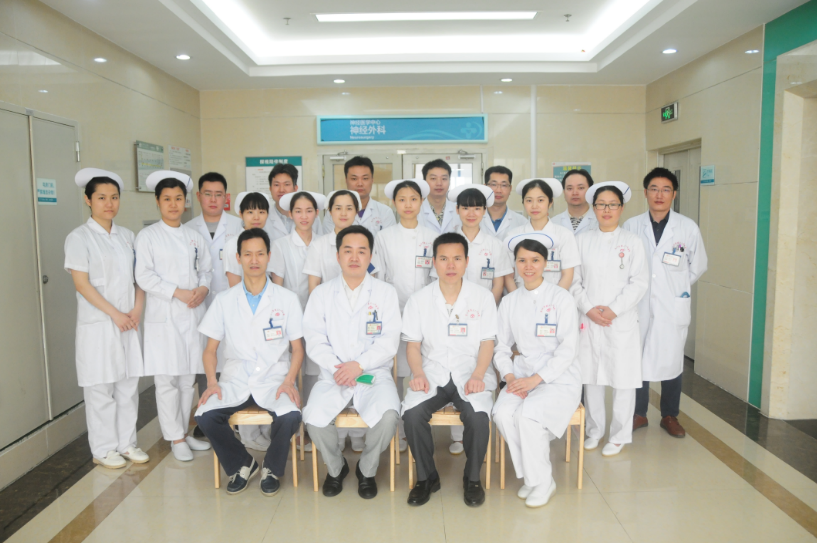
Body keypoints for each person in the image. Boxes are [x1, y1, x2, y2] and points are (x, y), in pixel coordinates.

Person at [195, 229, 303, 496]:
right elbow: (210, 351)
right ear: (238, 258)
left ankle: (271, 468)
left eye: (260, 254)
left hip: (274, 378)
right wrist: (212, 383)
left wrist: (289, 381)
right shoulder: (224, 300)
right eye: (247, 254)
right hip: (236, 378)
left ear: (269, 256)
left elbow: (298, 349)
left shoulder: (287, 299)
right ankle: (242, 464)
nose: (254, 260)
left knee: (290, 416)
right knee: (206, 416)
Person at [302, 226, 401, 499]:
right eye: (348, 251)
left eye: (361, 251)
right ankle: (336, 468)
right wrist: (339, 367)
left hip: (373, 374)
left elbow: (389, 341)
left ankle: (366, 470)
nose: (354, 257)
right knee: (313, 418)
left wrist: (359, 365)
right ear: (337, 256)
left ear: (371, 256)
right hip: (333, 375)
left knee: (389, 416)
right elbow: (314, 338)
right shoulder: (321, 294)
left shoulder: (385, 293)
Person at [402, 233, 497, 507]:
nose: (451, 265)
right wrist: (418, 373)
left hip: (470, 372)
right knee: (412, 415)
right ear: (434, 262)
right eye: (444, 258)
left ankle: (472, 478)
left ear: (467, 261)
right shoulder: (418, 300)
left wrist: (478, 374)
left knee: (478, 417)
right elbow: (412, 345)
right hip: (432, 372)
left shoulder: (482, 297)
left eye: (457, 258)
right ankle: (426, 477)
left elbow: (487, 342)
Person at [64, 168, 149, 469]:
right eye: (101, 197)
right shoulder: (79, 237)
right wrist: (115, 314)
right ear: (88, 200)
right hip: (99, 324)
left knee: (127, 385)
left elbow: (140, 279)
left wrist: (136, 310)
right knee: (100, 388)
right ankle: (103, 449)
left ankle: (127, 443)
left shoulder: (127, 236)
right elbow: (82, 284)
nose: (109, 203)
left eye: (114, 197)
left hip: (128, 322)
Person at [493, 233, 582, 508]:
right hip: (521, 374)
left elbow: (568, 349)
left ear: (546, 263)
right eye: (522, 260)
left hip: (559, 378)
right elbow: (501, 347)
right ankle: (534, 478)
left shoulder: (561, 298)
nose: (528, 266)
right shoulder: (509, 302)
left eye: (535, 260)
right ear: (515, 263)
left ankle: (543, 482)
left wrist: (537, 379)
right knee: (502, 414)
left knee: (528, 416)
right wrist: (509, 377)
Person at [135, 170, 213, 462]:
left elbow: (206, 270)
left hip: (192, 314)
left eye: (178, 198)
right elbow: (144, 276)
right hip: (164, 314)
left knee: (187, 379)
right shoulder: (148, 236)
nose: (173, 204)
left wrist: (203, 289)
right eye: (167, 199)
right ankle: (175, 437)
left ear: (185, 202)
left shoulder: (194, 237)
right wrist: (177, 292)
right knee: (167, 379)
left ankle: (184, 432)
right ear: (157, 201)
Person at [624, 168, 708, 437]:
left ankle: (670, 415)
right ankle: (638, 413)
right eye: (654, 189)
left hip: (672, 307)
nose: (659, 195)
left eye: (666, 189)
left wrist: (674, 289)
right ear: (645, 192)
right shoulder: (632, 226)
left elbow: (698, 266)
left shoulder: (687, 227)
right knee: (637, 359)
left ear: (674, 194)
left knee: (672, 359)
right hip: (638, 305)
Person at [570, 181, 648, 457]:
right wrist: (589, 308)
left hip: (621, 320)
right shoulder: (582, 241)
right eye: (601, 204)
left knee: (622, 379)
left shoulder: (632, 242)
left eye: (612, 204)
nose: (606, 210)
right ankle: (594, 431)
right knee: (591, 377)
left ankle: (619, 435)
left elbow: (639, 283)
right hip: (589, 319)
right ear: (593, 208)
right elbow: (574, 281)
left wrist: (614, 310)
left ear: (621, 208)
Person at [304, 189, 374, 452]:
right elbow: (314, 286)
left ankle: (357, 435)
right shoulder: (319, 245)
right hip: (330, 321)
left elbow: (372, 285)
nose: (343, 213)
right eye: (338, 207)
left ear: (357, 211)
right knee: (335, 381)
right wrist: (325, 313)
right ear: (329, 211)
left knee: (362, 379)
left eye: (349, 207)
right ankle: (337, 437)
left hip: (362, 324)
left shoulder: (365, 240)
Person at [372, 178, 437, 452]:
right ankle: (398, 431)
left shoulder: (432, 236)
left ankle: (419, 427)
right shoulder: (383, 237)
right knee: (396, 371)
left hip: (427, 314)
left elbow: (436, 278)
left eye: (413, 199)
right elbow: (379, 276)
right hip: (394, 312)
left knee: (423, 369)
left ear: (421, 202)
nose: (408, 204)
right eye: (402, 199)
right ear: (394, 203)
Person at [185, 172, 243, 439]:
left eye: (218, 194)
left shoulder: (238, 226)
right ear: (199, 196)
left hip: (232, 302)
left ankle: (233, 413)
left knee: (231, 357)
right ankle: (207, 415)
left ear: (226, 198)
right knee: (204, 358)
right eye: (207, 194)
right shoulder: (187, 229)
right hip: (199, 303)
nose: (213, 199)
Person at [222, 191, 276, 451]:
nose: (256, 216)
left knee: (267, 371)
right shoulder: (232, 245)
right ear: (240, 214)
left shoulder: (268, 241)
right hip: (243, 315)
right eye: (250, 211)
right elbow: (236, 285)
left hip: (269, 316)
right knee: (245, 373)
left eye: (261, 211)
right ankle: (248, 434)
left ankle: (265, 428)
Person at [506, 178, 579, 292]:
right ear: (523, 203)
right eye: (529, 200)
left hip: (555, 298)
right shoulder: (513, 235)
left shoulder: (564, 235)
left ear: (550, 202)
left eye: (540, 200)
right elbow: (508, 276)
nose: (534, 206)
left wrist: (553, 299)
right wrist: (518, 299)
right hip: (521, 298)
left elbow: (567, 275)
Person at [322, 156, 396, 235]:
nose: (360, 184)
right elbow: (330, 240)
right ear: (346, 180)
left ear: (372, 180)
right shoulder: (333, 213)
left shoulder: (385, 212)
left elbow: (389, 241)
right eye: (354, 179)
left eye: (365, 178)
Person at [263, 163, 322, 243]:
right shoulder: (264, 218)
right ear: (270, 189)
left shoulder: (312, 216)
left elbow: (320, 243)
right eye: (276, 185)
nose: (281, 190)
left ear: (295, 188)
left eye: (286, 184)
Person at [480, 166, 527, 238]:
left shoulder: (522, 222)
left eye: (504, 185)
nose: (498, 190)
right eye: (493, 184)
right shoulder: (471, 219)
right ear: (485, 187)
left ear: (510, 189)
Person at [418, 159, 461, 234]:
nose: (439, 183)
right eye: (433, 178)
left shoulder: (459, 211)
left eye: (444, 179)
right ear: (424, 182)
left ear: (449, 181)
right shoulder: (416, 211)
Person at [551, 169, 598, 235]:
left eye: (581, 188)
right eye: (570, 188)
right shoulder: (553, 223)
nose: (575, 193)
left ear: (590, 190)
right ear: (564, 192)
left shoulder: (599, 221)